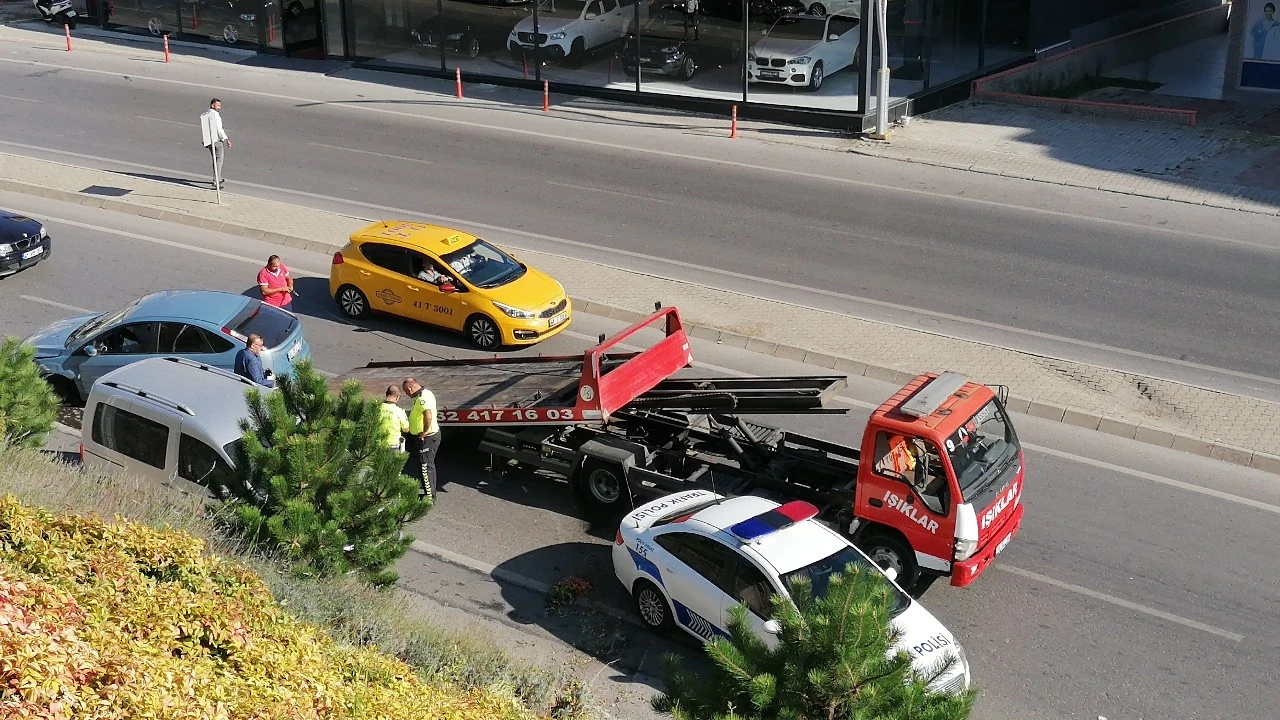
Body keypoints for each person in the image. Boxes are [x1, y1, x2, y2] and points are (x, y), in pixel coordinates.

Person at [402, 377, 440, 500]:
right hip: (426, 437)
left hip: (427, 438)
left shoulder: (422, 398)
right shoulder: (425, 393)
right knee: (427, 466)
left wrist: (425, 432)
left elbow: (427, 415)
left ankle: (429, 498)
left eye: (406, 392)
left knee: (425, 468)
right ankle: (429, 493)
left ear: (409, 388)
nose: (407, 395)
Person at [200, 98, 230, 189]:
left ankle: (218, 177)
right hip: (216, 140)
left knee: (215, 160)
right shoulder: (215, 115)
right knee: (219, 160)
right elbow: (219, 129)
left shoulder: (205, 114)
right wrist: (226, 139)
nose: (219, 108)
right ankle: (216, 181)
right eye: (218, 105)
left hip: (209, 141)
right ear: (212, 105)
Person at [378, 385, 410, 451]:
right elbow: (406, 429)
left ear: (386, 394)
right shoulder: (399, 411)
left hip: (379, 443)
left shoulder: (377, 408)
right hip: (393, 444)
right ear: (398, 397)